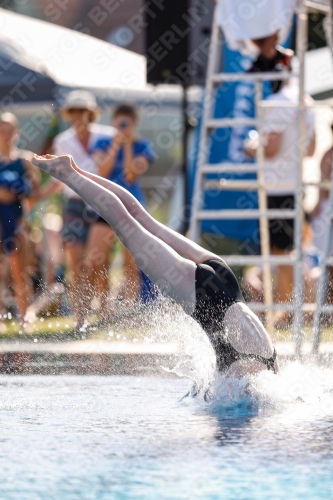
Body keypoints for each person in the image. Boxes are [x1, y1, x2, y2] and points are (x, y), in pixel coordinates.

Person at [31, 153, 280, 377]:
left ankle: (76, 170)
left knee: (140, 218)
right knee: (125, 225)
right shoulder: (253, 384)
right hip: (203, 294)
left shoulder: (270, 369)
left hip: (226, 281)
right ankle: (67, 173)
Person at [245, 71, 316, 327]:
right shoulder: (307, 102)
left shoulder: (277, 102)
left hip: (277, 188)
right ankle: (296, 310)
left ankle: (291, 311)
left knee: (283, 253)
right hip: (296, 185)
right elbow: (310, 149)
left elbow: (271, 148)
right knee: (293, 252)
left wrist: (252, 147)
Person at [44, 90, 115, 325]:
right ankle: (80, 317)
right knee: (75, 261)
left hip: (100, 203)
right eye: (74, 111)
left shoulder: (108, 136)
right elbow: (61, 178)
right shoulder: (62, 140)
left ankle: (103, 311)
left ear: (90, 113)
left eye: (82, 111)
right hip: (74, 203)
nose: (78, 115)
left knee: (99, 262)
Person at [90, 103, 155, 314]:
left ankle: (129, 309)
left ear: (134, 124)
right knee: (97, 259)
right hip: (106, 206)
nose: (123, 127)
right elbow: (102, 171)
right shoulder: (102, 143)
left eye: (127, 123)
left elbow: (130, 175)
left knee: (131, 261)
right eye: (120, 123)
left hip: (132, 208)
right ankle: (103, 307)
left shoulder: (143, 147)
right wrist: (116, 145)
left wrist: (127, 146)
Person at [0, 112, 39, 319]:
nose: (6, 135)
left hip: (16, 220)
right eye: (2, 131)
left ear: (17, 133)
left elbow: (35, 193)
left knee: (20, 271)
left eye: (10, 131)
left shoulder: (25, 160)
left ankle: (25, 317)